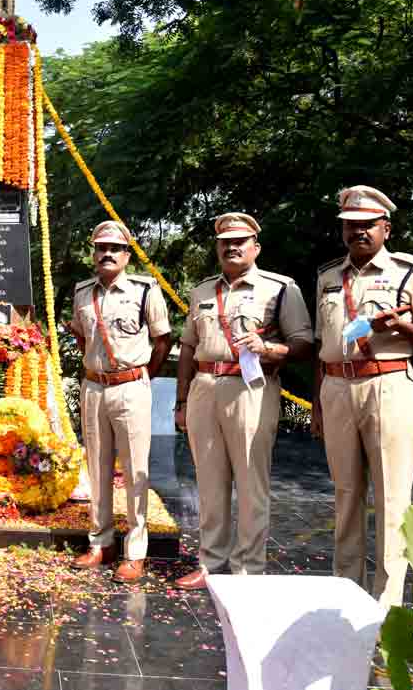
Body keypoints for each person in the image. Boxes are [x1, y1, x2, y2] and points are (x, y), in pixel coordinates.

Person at [313, 186, 413, 607]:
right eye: (350, 226)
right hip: (337, 387)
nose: (357, 232)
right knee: (345, 494)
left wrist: (404, 328)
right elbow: (324, 344)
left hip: (388, 387)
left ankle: (386, 603)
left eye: (366, 225)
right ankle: (347, 590)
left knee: (393, 497)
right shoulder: (327, 276)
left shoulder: (410, 273)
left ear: (385, 228)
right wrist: (319, 405)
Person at [173, 213, 313, 590]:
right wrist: (182, 399)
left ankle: (248, 568)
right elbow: (187, 346)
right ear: (217, 247)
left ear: (256, 247)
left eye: (241, 241)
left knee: (252, 481)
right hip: (205, 385)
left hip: (251, 388)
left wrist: (269, 348)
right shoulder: (202, 290)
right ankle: (210, 561)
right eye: (225, 241)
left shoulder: (280, 288)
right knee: (209, 480)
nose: (232, 247)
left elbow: (303, 343)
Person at [68, 221, 171, 583]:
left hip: (131, 387)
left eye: (115, 248)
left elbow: (163, 340)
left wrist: (143, 375)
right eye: (101, 248)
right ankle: (101, 542)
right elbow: (82, 338)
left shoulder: (145, 290)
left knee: (134, 471)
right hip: (94, 387)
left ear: (127, 255)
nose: (107, 254)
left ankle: (135, 552)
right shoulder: (82, 292)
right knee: (96, 468)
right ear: (93, 254)